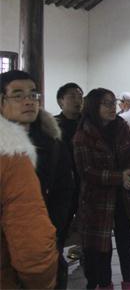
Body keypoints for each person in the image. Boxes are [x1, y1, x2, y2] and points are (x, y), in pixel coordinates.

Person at [1, 70, 74, 289]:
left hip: (44, 240)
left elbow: (65, 191)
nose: (28, 101)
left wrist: (53, 233)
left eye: (33, 95)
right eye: (18, 95)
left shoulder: (53, 142)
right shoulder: (7, 152)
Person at [73, 88, 130, 290]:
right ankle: (105, 285)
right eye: (106, 103)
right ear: (94, 106)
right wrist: (119, 177)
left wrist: (129, 172)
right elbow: (86, 171)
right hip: (97, 201)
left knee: (126, 246)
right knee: (102, 249)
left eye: (114, 102)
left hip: (124, 197)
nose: (112, 107)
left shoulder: (120, 126)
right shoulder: (83, 135)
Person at [0, 114, 59, 289]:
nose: (28, 103)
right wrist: (42, 282)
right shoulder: (10, 150)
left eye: (33, 100)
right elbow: (33, 249)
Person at [55, 82, 84, 260]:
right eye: (72, 96)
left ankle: (85, 254)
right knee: (61, 224)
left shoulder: (88, 124)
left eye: (80, 96)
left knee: (87, 223)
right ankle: (56, 259)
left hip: (86, 182)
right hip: (63, 185)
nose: (77, 100)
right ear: (60, 101)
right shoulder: (52, 125)